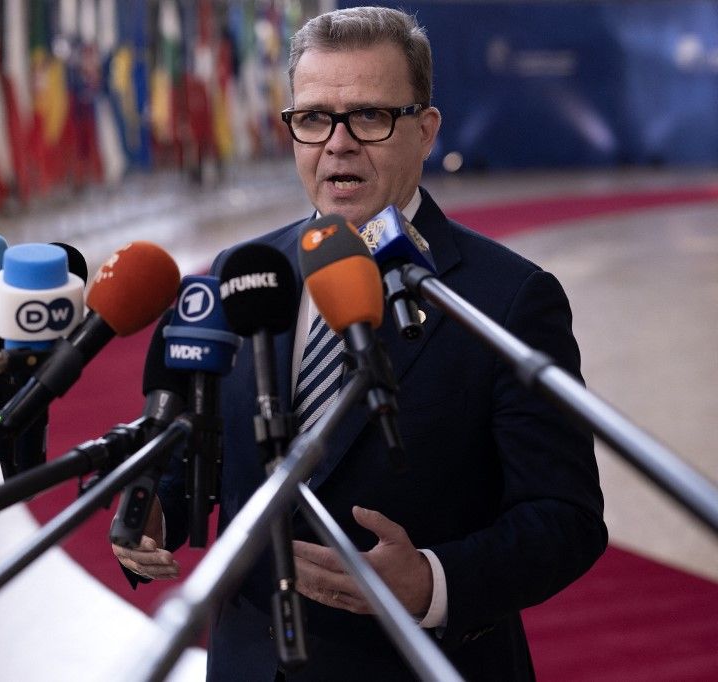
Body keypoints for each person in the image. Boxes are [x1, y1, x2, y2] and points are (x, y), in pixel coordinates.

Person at [113, 6, 607, 680]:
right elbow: (196, 454)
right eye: (314, 117)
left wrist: (432, 581)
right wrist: (153, 516)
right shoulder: (241, 274)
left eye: (370, 116)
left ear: (425, 130)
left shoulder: (508, 297)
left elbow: (566, 517)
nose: (338, 143)